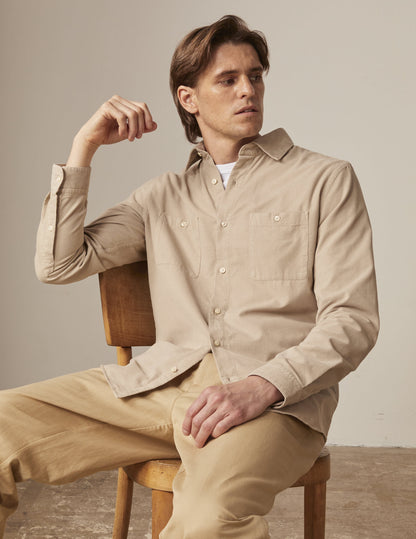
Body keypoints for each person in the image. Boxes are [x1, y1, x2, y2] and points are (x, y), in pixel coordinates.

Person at [0, 14, 379, 538]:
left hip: (274, 405)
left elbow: (353, 320)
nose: (248, 90)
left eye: (255, 76)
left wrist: (261, 386)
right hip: (160, 386)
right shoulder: (160, 197)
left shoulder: (324, 180)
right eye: (228, 79)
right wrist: (83, 147)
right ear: (188, 99)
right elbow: (58, 264)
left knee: (207, 518)